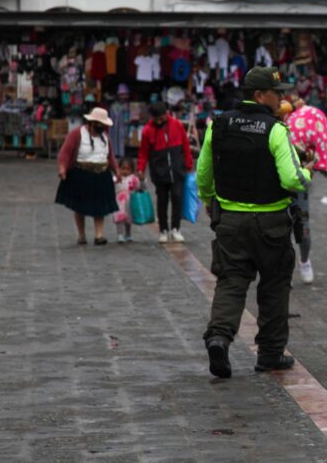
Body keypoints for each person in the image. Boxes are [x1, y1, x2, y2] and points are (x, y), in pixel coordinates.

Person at [197, 66, 312, 378]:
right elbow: (292, 178)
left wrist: (209, 199)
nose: (282, 99)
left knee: (231, 281)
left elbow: (203, 172)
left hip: (230, 221)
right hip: (271, 223)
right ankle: (270, 354)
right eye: (277, 94)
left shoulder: (218, 124)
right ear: (260, 95)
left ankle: (219, 338)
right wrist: (308, 172)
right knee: (274, 286)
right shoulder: (275, 130)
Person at [285, 92, 327, 284]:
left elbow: (323, 140)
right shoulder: (274, 118)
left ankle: (304, 260)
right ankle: (283, 269)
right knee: (279, 228)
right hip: (275, 180)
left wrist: (313, 160)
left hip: (298, 179)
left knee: (303, 227)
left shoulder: (311, 116)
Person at [56, 107, 119, 246]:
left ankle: (99, 235)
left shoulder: (105, 137)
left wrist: (116, 171)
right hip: (81, 174)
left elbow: (110, 156)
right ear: (92, 122)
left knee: (101, 207)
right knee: (79, 206)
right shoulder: (76, 134)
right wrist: (62, 168)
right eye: (99, 124)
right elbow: (65, 153)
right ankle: (81, 234)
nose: (102, 127)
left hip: (101, 174)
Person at [137, 101, 193, 244]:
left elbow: (185, 145)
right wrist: (140, 169)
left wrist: (188, 163)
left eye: (162, 117)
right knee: (162, 201)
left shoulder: (177, 125)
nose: (160, 120)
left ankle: (176, 228)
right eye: (157, 118)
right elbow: (143, 152)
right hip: (159, 172)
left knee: (177, 197)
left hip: (177, 170)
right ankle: (163, 229)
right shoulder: (147, 130)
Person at [113, 158, 140, 243]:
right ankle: (120, 234)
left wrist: (141, 180)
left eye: (128, 169)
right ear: (119, 168)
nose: (125, 171)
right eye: (123, 168)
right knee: (119, 218)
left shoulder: (133, 178)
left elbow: (139, 187)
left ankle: (128, 234)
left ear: (132, 170)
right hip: (119, 202)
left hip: (130, 201)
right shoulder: (116, 178)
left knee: (128, 219)